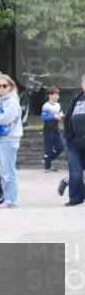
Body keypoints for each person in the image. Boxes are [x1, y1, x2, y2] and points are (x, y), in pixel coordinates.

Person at [0, 74, 23, 207]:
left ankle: (10, 199)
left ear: (11, 86)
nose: (1, 88)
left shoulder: (12, 101)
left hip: (9, 139)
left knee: (8, 171)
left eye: (4, 86)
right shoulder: (1, 100)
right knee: (2, 171)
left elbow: (3, 119)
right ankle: (5, 197)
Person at [59, 74, 85, 206]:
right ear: (82, 84)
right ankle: (75, 199)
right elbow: (67, 119)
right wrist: (69, 138)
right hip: (75, 144)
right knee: (75, 172)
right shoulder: (76, 100)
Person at [42, 86, 65, 172]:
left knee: (61, 146)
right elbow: (44, 118)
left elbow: (59, 115)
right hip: (48, 130)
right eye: (55, 95)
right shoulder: (46, 106)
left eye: (58, 95)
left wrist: (61, 116)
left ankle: (47, 160)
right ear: (50, 96)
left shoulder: (58, 105)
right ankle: (47, 167)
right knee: (48, 148)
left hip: (56, 129)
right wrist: (54, 117)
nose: (57, 97)